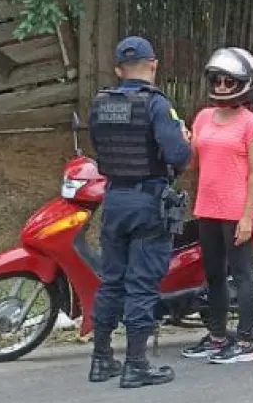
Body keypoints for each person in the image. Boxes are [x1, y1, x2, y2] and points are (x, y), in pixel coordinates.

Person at [87, 35, 192, 388]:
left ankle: (101, 360)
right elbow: (179, 156)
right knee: (143, 285)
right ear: (154, 64)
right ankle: (136, 365)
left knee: (111, 282)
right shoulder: (157, 105)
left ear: (119, 70)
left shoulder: (101, 103)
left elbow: (99, 148)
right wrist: (185, 139)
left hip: (114, 199)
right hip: (148, 202)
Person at [181, 47, 253, 364]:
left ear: (244, 84)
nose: (221, 86)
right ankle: (217, 337)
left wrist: (247, 216)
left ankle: (244, 344)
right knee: (213, 275)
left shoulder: (250, 124)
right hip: (207, 209)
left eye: (229, 81)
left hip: (235, 211)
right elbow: (193, 164)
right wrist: (184, 139)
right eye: (217, 80)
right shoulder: (203, 117)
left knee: (242, 276)